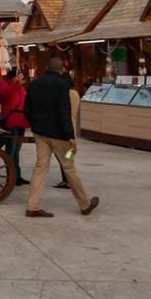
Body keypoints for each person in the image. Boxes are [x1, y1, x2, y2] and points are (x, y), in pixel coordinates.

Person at [23, 58, 99, 218]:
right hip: (59, 136)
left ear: (46, 68)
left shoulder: (34, 84)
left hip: (40, 134)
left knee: (40, 167)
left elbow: (27, 110)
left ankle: (32, 205)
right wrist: (70, 136)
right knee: (69, 167)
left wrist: (35, 124)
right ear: (62, 70)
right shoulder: (63, 85)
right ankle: (84, 204)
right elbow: (64, 113)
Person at [0, 68, 29, 185]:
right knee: (11, 150)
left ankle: (17, 175)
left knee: (17, 150)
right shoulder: (4, 84)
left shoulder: (20, 87)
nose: (21, 79)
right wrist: (16, 85)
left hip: (20, 121)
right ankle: (11, 175)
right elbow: (5, 95)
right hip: (10, 120)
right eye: (19, 76)